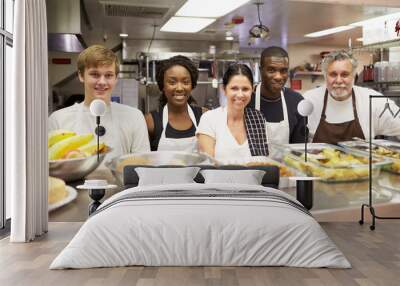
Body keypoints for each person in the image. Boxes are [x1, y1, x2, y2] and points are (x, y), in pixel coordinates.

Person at [49, 45, 150, 159]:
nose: (102, 82)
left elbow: (142, 165)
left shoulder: (134, 117)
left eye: (108, 75)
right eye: (95, 74)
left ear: (116, 78)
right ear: (81, 75)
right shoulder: (58, 119)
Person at [303, 50, 400, 144]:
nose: (339, 80)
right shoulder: (309, 100)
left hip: (361, 160)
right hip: (317, 159)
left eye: (345, 74)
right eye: (333, 74)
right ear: (325, 76)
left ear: (354, 76)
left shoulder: (372, 100)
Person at [196, 63, 269, 161]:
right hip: (217, 176)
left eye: (245, 89)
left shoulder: (257, 118)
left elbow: (263, 162)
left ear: (252, 89)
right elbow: (208, 164)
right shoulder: (209, 119)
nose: (240, 94)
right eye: (234, 88)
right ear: (224, 89)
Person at [144, 55, 204, 152]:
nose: (179, 88)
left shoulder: (204, 117)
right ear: (162, 86)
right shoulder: (150, 122)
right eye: (172, 82)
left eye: (185, 82)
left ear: (192, 85)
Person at [248, 46, 305, 144]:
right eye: (271, 70)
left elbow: (298, 148)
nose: (278, 77)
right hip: (252, 159)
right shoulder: (246, 100)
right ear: (261, 70)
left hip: (286, 159)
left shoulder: (297, 101)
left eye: (283, 71)